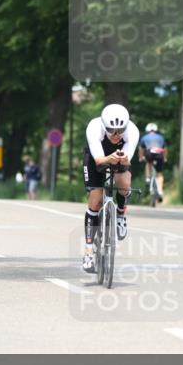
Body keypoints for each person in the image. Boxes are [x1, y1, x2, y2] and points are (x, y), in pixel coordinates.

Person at [80, 103, 138, 273]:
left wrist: (121, 159)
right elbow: (99, 160)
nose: (116, 134)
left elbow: (127, 161)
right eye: (111, 130)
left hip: (119, 157)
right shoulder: (94, 127)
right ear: (104, 126)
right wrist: (108, 159)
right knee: (96, 199)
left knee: (124, 183)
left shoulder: (132, 131)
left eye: (120, 130)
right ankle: (88, 252)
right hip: (96, 157)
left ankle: (120, 214)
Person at [138, 122, 167, 203]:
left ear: (147, 130)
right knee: (160, 173)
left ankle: (148, 178)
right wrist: (165, 158)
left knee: (148, 163)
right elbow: (165, 149)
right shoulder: (161, 137)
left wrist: (141, 157)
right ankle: (160, 191)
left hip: (149, 152)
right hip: (159, 153)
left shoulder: (144, 137)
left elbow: (141, 149)